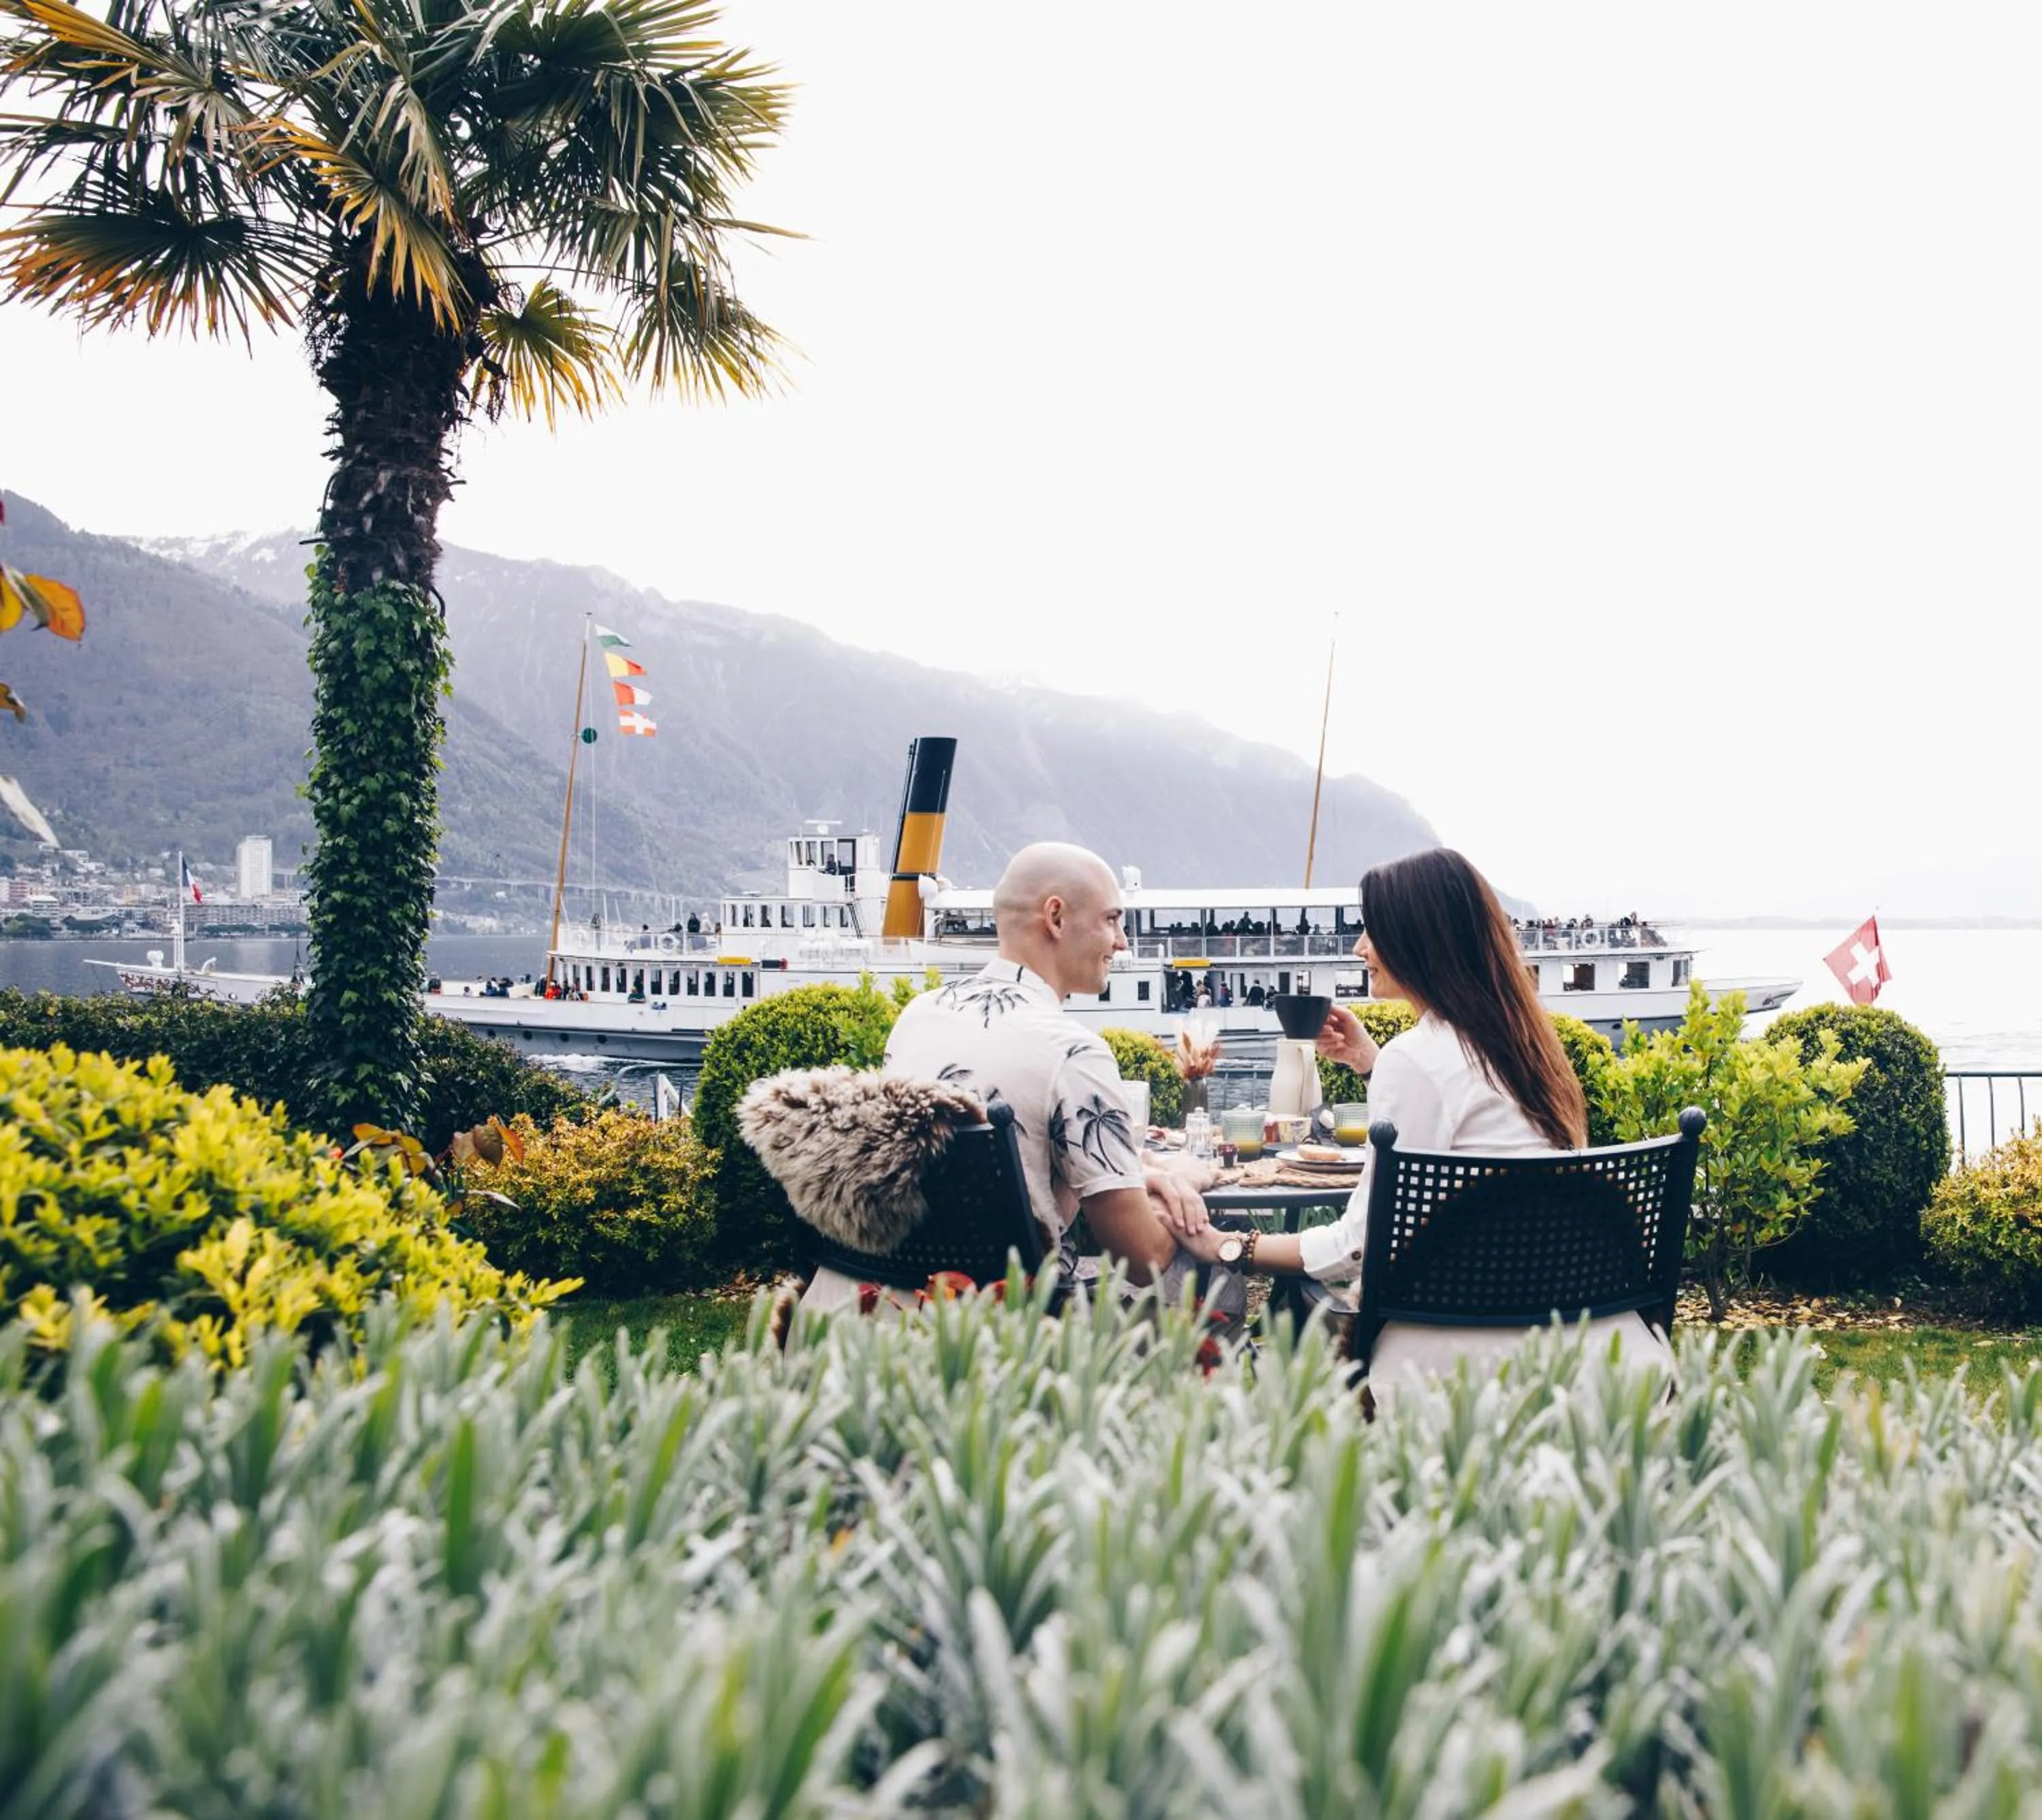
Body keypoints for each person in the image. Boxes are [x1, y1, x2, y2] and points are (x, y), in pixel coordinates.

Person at [1178, 847, 1670, 1394]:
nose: (1360, 948)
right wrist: (1371, 1062)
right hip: (1587, 1342)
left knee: (1294, 1311)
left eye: (1373, 931)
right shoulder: (1531, 1051)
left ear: (1417, 939)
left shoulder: (1416, 1058)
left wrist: (1230, 1246)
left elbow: (1356, 1247)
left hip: (1457, 1359)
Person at [805, 841, 1219, 1313]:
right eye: (1111, 920)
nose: (1122, 941)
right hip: (999, 1326)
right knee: (1216, 1282)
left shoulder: (917, 1016)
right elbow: (1144, 1259)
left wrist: (1139, 1173)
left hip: (866, 1306)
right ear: (1056, 918)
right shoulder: (1073, 1052)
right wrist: (1184, 1181)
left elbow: (972, 1169)